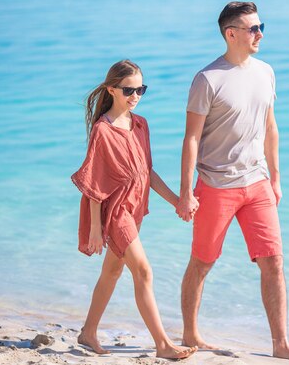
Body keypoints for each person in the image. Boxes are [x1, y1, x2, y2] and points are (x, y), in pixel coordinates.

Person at [176, 2, 289, 363]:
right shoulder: (208, 79)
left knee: (273, 263)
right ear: (230, 33)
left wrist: (277, 179)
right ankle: (190, 332)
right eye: (252, 29)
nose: (260, 34)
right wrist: (184, 193)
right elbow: (191, 138)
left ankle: (280, 344)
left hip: (258, 184)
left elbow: (271, 128)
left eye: (260, 26)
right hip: (215, 186)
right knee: (203, 262)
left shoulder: (266, 72)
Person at [71, 60, 196, 360]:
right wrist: (96, 230)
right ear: (111, 89)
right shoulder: (102, 131)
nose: (136, 95)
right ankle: (163, 344)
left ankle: (88, 332)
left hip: (135, 209)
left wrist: (178, 200)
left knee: (112, 272)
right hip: (114, 214)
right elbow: (94, 183)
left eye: (141, 89)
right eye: (129, 90)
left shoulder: (141, 124)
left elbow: (148, 173)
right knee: (143, 271)